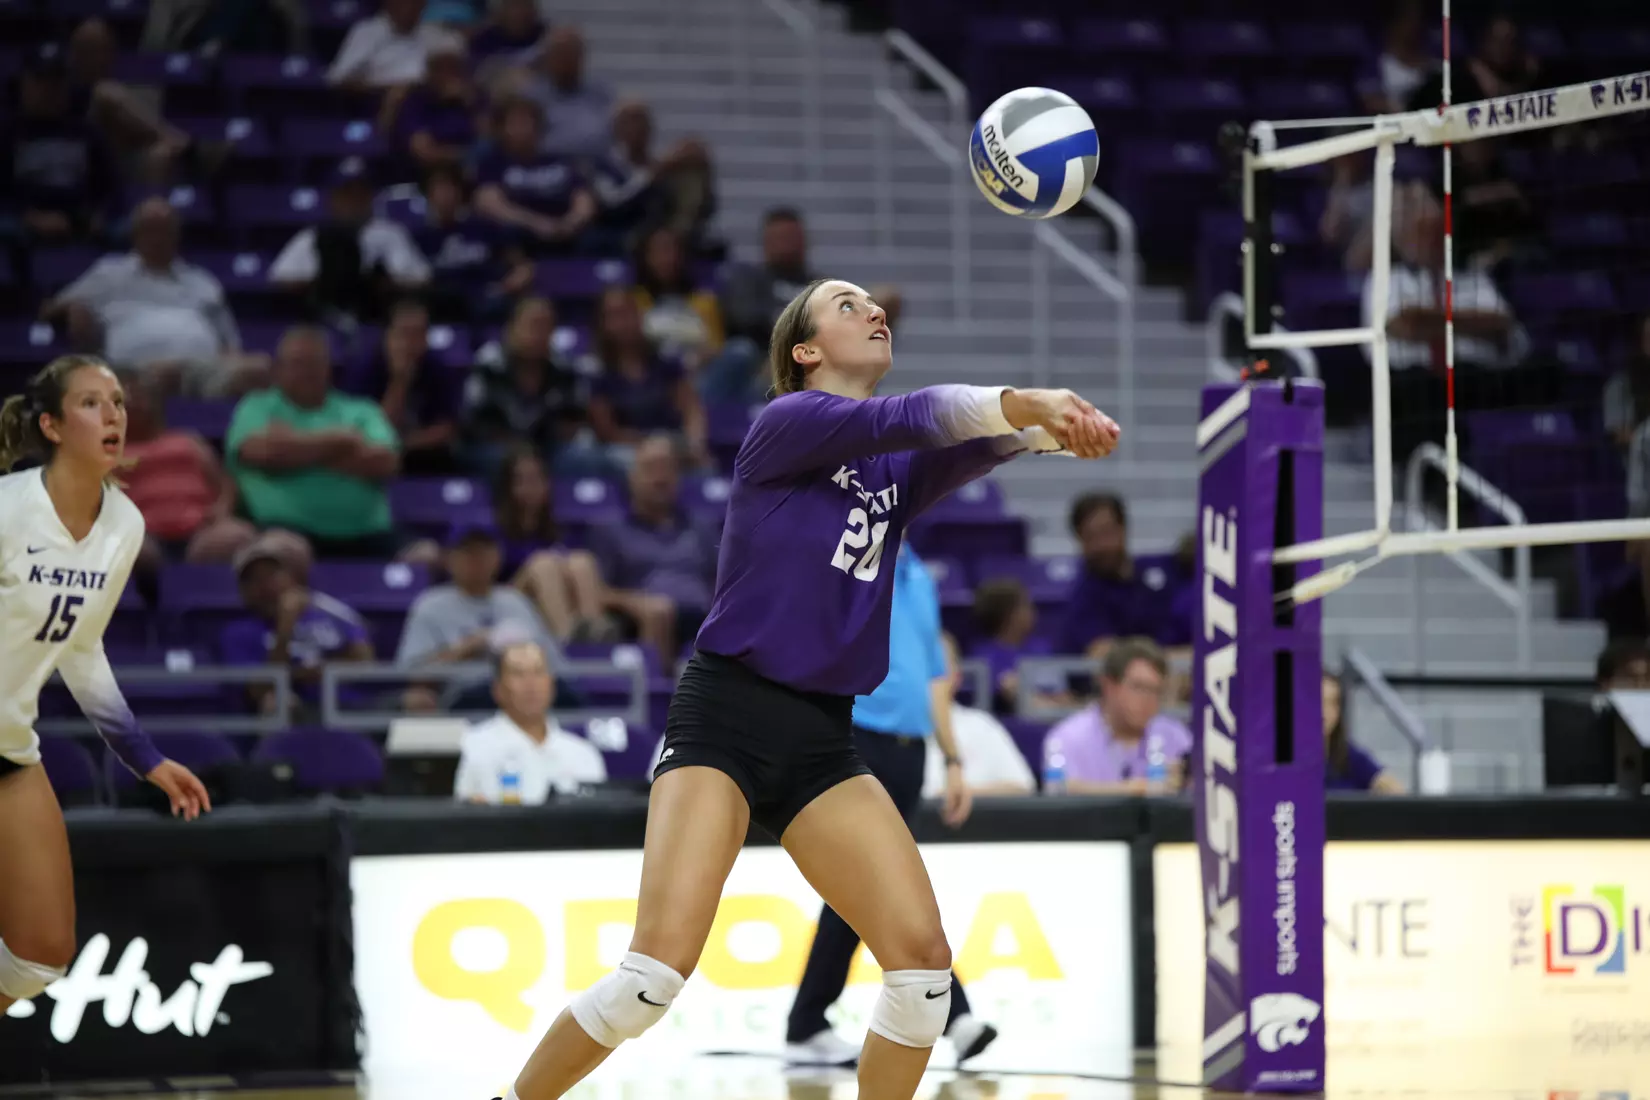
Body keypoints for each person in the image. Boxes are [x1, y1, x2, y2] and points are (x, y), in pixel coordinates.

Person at [491, 277, 1118, 1100]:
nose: (874, 311)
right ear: (806, 351)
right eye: (848, 303)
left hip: (823, 738)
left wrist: (1054, 431)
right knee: (653, 974)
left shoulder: (890, 472)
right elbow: (919, 416)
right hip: (727, 715)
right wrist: (1028, 400)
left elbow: (969, 446)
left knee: (924, 972)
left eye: (874, 302)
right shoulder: (787, 422)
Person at [0, 354, 212, 1012]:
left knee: (39, 955)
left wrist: (145, 758)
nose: (113, 414)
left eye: (117, 400)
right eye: (91, 403)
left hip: (9, 743)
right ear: (53, 427)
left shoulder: (125, 524)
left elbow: (81, 649)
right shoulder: (8, 510)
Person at [784, 545, 992, 1067]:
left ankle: (807, 1024)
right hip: (856, 733)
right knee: (878, 877)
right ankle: (955, 1014)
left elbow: (934, 675)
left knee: (862, 884)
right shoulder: (846, 550)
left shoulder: (920, 573)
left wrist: (952, 758)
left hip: (910, 747)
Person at [454, 640, 607, 804]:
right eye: (518, 674)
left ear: (551, 684)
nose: (531, 684)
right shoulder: (471, 748)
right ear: (497, 689)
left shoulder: (583, 754)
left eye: (538, 672)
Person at [1040, 637, 1191, 795]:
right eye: (1139, 687)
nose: (1148, 700)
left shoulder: (1175, 735)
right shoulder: (1068, 737)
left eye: (1156, 691)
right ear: (1109, 686)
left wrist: (1184, 781)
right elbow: (1061, 790)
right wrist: (1134, 789)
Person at [923, 634, 1036, 799]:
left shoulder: (982, 727)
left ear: (957, 677)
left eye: (938, 669)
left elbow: (1023, 787)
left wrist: (962, 795)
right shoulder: (888, 733)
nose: (929, 679)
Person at [1322, 673, 1405, 794]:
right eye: (1320, 701)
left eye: (1334, 703)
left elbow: (1395, 790)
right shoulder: (1289, 756)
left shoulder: (1349, 755)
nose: (1325, 711)